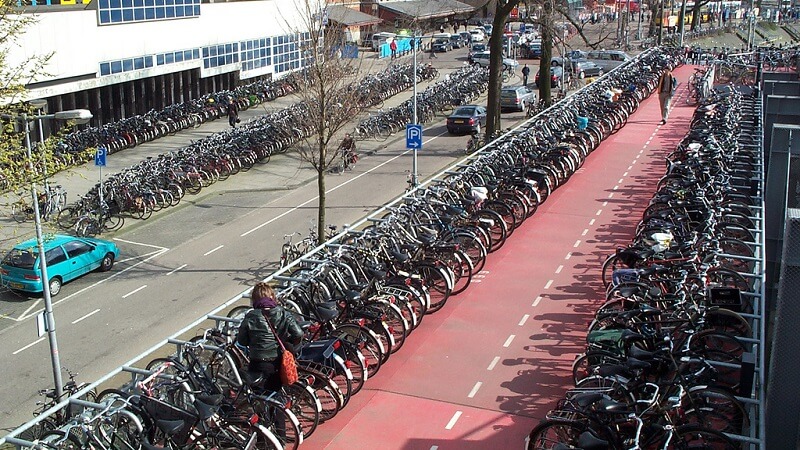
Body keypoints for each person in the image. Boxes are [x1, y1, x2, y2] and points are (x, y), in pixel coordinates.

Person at [236, 282, 304, 436]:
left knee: (259, 401)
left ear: (254, 300)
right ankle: (280, 435)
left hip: (257, 364)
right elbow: (298, 333)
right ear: (272, 297)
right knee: (276, 397)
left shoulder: (251, 317)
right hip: (277, 362)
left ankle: (263, 436)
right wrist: (288, 344)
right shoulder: (283, 313)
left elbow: (242, 341)